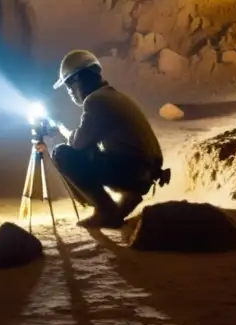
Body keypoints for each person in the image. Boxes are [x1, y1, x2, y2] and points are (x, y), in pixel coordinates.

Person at [38, 50, 167, 228]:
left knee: (62, 154)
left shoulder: (96, 101)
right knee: (89, 148)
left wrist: (59, 132)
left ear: (77, 80)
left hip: (134, 171)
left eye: (68, 86)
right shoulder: (113, 96)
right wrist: (61, 126)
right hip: (146, 170)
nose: (69, 92)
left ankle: (105, 209)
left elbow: (77, 144)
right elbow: (86, 141)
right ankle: (126, 200)